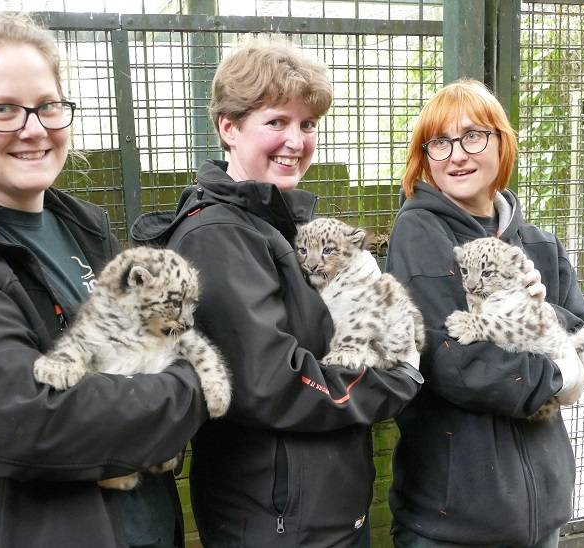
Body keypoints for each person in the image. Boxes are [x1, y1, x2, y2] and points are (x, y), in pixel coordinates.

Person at [0, 13, 209, 548]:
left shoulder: (84, 227)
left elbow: (155, 349)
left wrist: (144, 397)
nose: (33, 128)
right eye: (3, 109)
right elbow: (31, 421)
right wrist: (191, 391)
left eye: (48, 106)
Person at [130, 37, 423, 547]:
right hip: (277, 517)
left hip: (319, 507)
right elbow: (270, 382)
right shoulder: (218, 235)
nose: (296, 140)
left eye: (307, 124)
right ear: (228, 127)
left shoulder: (275, 222)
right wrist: (397, 379)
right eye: (276, 122)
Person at [385, 78, 584, 548]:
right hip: (454, 520)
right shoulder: (419, 232)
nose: (457, 154)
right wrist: (558, 375)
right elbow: (453, 361)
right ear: (425, 156)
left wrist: (546, 314)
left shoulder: (538, 244)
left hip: (541, 509)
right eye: (440, 142)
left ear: (500, 143)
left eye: (473, 136)